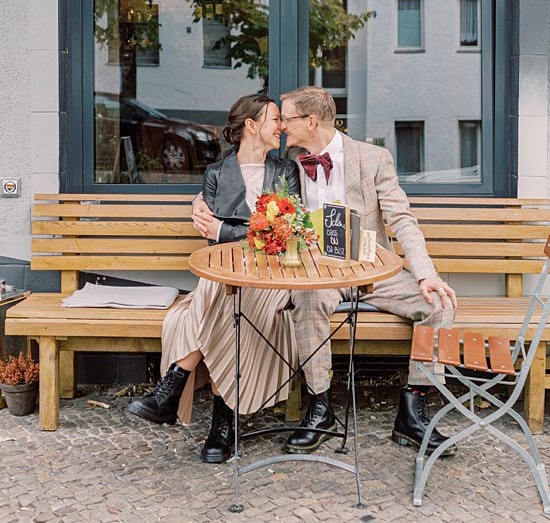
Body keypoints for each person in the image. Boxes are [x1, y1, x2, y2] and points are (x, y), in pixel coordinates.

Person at [193, 85, 458, 456]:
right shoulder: (290, 165)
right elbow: (245, 185)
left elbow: (403, 220)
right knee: (308, 296)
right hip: (316, 273)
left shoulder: (373, 159)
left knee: (439, 305)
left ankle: (414, 412)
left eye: (286, 118)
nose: (282, 126)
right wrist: (201, 203)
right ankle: (320, 409)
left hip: (371, 271)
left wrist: (427, 274)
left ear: (311, 120)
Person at [128, 94, 302, 464]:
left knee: (217, 295)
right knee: (223, 293)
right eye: (275, 119)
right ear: (252, 125)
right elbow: (213, 236)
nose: (282, 127)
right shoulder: (216, 174)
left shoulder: (286, 171)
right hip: (227, 273)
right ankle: (224, 423)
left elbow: (284, 233)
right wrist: (236, 231)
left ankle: (173, 386)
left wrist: (227, 229)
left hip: (271, 278)